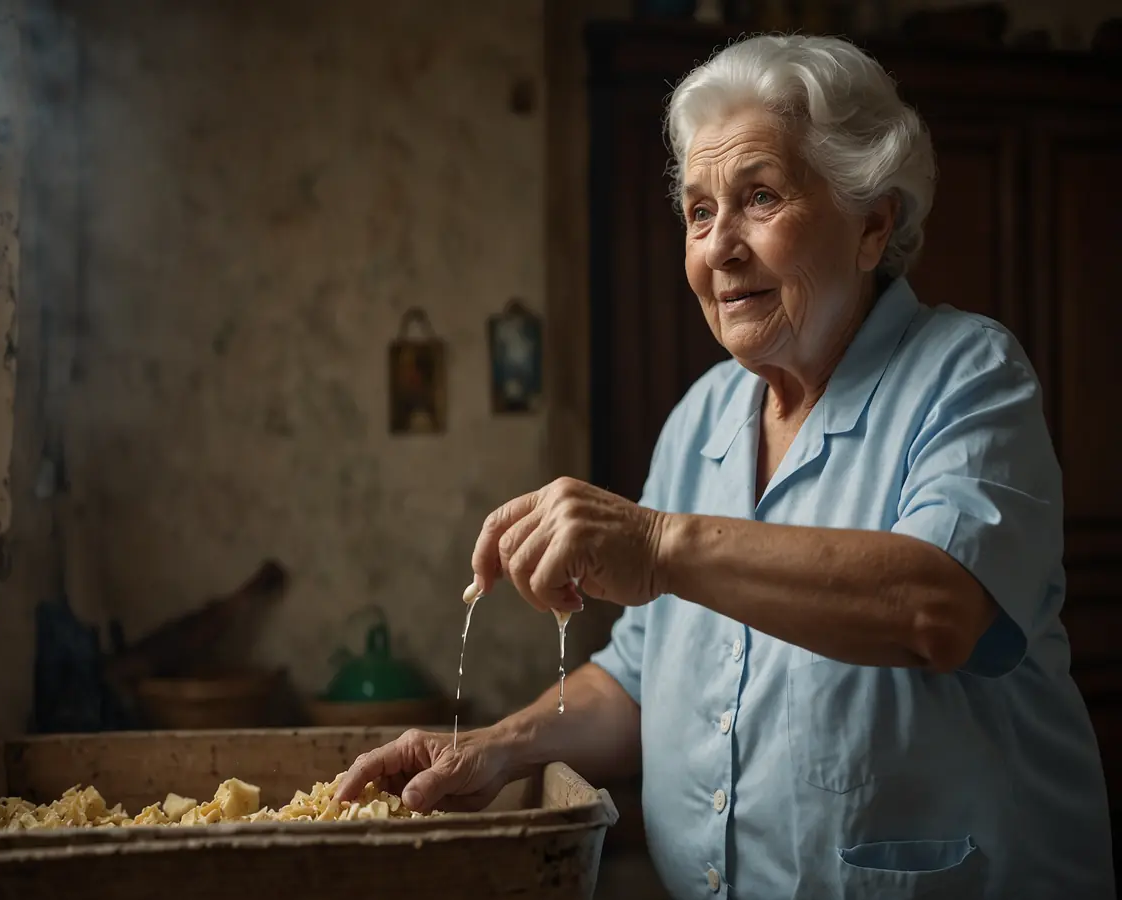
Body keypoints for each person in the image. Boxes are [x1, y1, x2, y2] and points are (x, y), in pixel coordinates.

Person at [337, 33, 1114, 899]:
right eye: (700, 213)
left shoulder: (968, 374)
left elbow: (939, 608)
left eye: (760, 197)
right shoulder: (705, 413)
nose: (719, 248)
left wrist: (662, 545)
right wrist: (494, 747)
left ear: (872, 223)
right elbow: (640, 679)